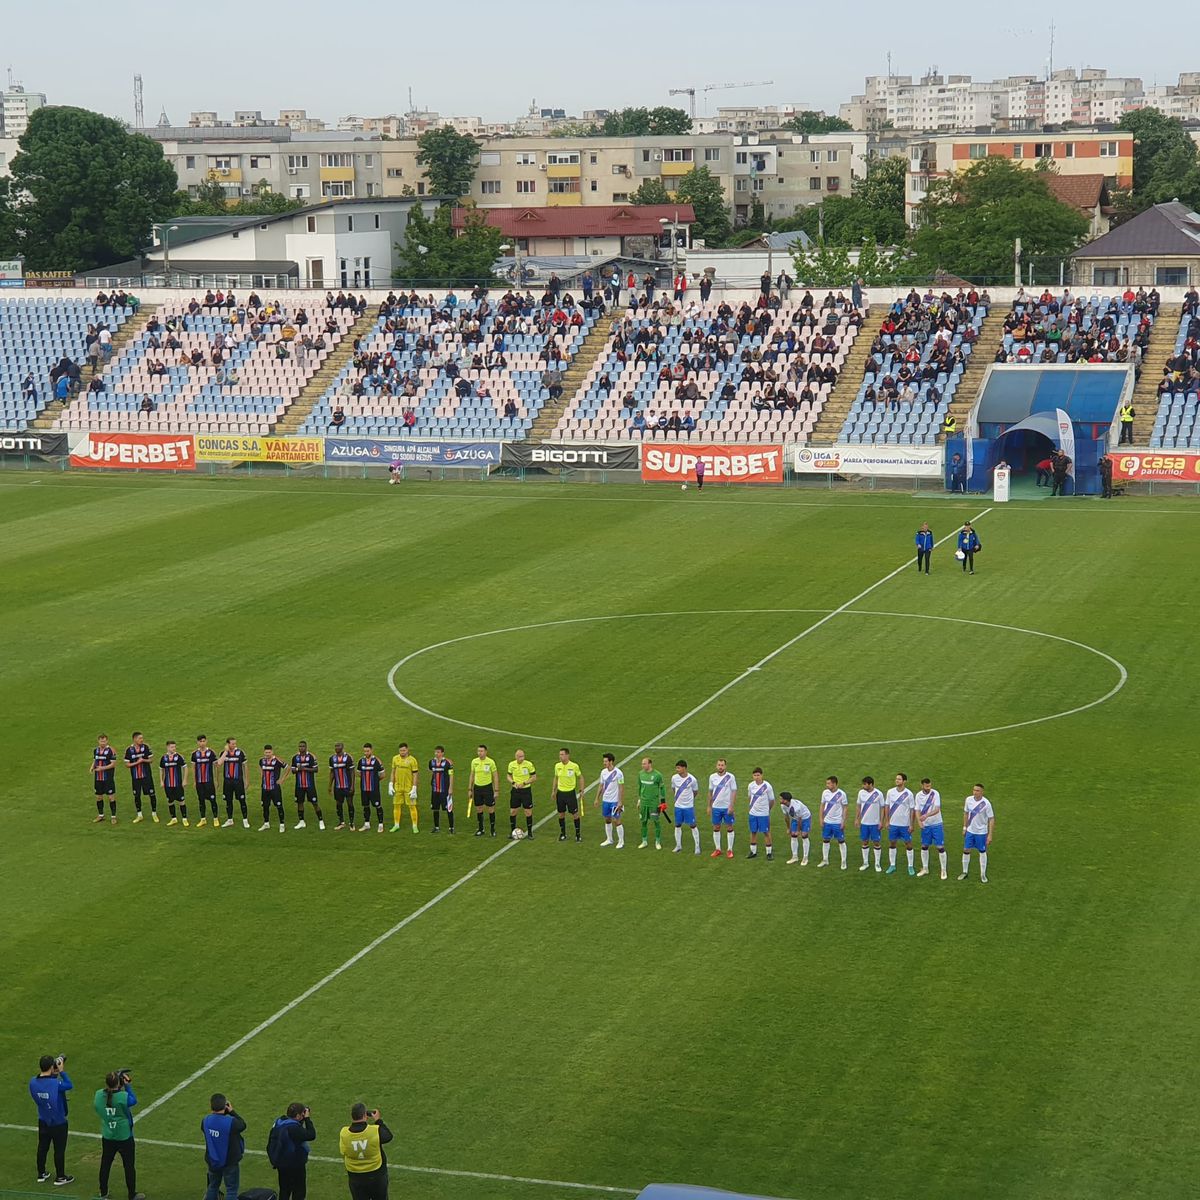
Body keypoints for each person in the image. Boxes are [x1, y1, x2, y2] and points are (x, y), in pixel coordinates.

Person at [95, 1070, 142, 1200]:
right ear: (119, 1083)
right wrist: (127, 1086)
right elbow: (133, 1100)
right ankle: (132, 1194)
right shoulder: (123, 1097)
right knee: (129, 1166)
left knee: (105, 1164)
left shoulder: (98, 1095)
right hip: (124, 1136)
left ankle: (103, 1193)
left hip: (108, 1135)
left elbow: (98, 1106)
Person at [30, 1055, 74, 1186]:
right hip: (58, 1122)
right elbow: (69, 1085)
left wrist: (53, 1074)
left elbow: (47, 1087)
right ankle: (60, 1177)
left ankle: (41, 1173)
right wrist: (62, 1071)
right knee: (59, 1150)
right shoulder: (55, 1084)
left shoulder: (33, 1082)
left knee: (42, 1147)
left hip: (43, 1119)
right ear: (51, 1067)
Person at [339, 1103, 392, 1200]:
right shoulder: (374, 1131)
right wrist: (378, 1120)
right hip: (376, 1174)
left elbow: (343, 1151)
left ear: (352, 1116)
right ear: (365, 1115)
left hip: (355, 1176)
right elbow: (388, 1136)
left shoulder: (344, 1133)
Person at [201, 1093, 246, 1200]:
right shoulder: (231, 1123)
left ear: (211, 1106)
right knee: (231, 1190)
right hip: (229, 1162)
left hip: (213, 1160)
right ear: (225, 1106)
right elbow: (243, 1125)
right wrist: (231, 1111)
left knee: (213, 1187)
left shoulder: (205, 1121)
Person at [268, 1103, 316, 1200]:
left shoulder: (280, 1122)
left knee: (284, 1190)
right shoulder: (293, 1128)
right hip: (294, 1164)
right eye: (302, 1114)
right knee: (299, 1191)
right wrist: (307, 1119)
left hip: (281, 1163)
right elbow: (311, 1135)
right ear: (297, 1116)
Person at [960, 784, 995, 883]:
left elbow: (991, 819)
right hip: (970, 831)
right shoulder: (968, 800)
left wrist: (990, 835)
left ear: (982, 792)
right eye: (974, 790)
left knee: (982, 851)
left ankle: (983, 874)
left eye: (977, 790)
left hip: (981, 832)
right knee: (966, 850)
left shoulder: (986, 804)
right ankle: (965, 872)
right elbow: (966, 813)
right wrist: (964, 827)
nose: (975, 792)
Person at [914, 777, 947, 879]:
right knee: (924, 846)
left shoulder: (935, 793)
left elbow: (937, 809)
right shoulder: (918, 795)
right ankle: (925, 868)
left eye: (929, 786)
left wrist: (926, 815)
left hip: (936, 824)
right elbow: (917, 810)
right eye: (926, 786)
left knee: (940, 847)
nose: (928, 788)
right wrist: (919, 822)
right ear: (922, 785)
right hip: (926, 825)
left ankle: (943, 870)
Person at [885, 772, 916, 876]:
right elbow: (887, 806)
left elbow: (912, 810)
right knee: (892, 843)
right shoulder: (890, 792)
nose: (897, 780)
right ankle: (892, 865)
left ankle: (910, 866)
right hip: (893, 824)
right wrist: (887, 821)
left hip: (905, 825)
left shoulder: (909, 794)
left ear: (904, 781)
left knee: (908, 844)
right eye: (896, 779)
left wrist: (911, 824)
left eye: (899, 779)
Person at [124, 732, 159, 824]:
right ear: (134, 739)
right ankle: (139, 815)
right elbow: (127, 764)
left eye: (142, 738)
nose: (142, 740)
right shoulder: (129, 750)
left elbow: (151, 759)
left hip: (147, 776)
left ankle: (154, 813)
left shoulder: (146, 747)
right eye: (140, 738)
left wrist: (143, 760)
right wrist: (137, 763)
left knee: (152, 794)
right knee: (137, 795)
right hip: (136, 778)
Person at [707, 757, 738, 859]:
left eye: (722, 765)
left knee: (729, 827)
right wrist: (709, 806)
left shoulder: (730, 777)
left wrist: (732, 805)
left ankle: (730, 850)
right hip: (716, 807)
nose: (720, 767)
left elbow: (734, 791)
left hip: (727, 807)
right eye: (719, 765)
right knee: (716, 827)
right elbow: (710, 792)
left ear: (725, 766)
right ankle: (718, 849)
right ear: (716, 766)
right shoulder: (712, 777)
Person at [668, 759, 701, 854]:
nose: (677, 770)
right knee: (677, 825)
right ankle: (678, 846)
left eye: (678, 768)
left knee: (693, 825)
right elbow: (673, 789)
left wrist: (688, 800)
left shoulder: (692, 779)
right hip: (678, 807)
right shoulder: (674, 778)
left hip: (688, 807)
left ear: (684, 768)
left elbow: (695, 792)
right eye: (676, 768)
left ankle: (697, 847)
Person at [291, 741, 325, 830]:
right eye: (300, 746)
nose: (301, 748)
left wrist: (304, 768)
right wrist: (298, 769)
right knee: (300, 803)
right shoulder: (295, 758)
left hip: (310, 785)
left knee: (314, 803)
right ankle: (301, 821)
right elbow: (293, 770)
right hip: (299, 785)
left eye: (303, 746)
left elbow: (316, 769)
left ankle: (321, 821)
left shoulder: (311, 757)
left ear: (306, 747)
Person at [553, 747, 585, 842]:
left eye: (562, 754)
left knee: (575, 814)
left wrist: (582, 790)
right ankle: (563, 834)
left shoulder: (574, 766)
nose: (560, 756)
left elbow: (580, 777)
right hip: (560, 793)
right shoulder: (557, 766)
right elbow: (556, 778)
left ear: (567, 755)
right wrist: (553, 791)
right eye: (560, 754)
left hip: (570, 794)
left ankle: (578, 835)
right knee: (561, 814)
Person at [218, 738, 250, 828]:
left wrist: (246, 780)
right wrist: (225, 751)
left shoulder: (240, 753)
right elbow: (219, 763)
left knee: (242, 800)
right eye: (232, 744)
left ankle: (245, 820)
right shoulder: (223, 753)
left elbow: (245, 766)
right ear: (228, 744)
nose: (234, 745)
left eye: (235, 744)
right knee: (228, 801)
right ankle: (230, 820)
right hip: (227, 782)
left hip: (238, 781)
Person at [388, 742, 419, 833]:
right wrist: (391, 784)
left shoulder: (412, 760)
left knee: (412, 806)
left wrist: (414, 788)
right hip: (398, 787)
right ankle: (396, 825)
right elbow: (393, 772)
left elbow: (415, 775)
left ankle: (415, 826)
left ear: (407, 750)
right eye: (401, 750)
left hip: (408, 787)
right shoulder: (395, 758)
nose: (402, 752)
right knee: (396, 805)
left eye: (404, 750)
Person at [595, 753, 625, 848]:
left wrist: (620, 801)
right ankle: (609, 839)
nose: (604, 763)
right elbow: (601, 785)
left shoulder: (618, 773)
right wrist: (597, 798)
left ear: (611, 762)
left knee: (617, 820)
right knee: (607, 819)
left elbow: (621, 788)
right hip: (606, 800)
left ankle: (621, 841)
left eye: (606, 761)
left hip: (615, 801)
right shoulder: (603, 772)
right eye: (604, 761)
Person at [469, 744, 499, 837]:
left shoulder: (490, 762)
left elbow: (495, 776)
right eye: (478, 751)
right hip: (477, 788)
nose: (480, 753)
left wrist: (496, 790)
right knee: (479, 808)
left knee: (490, 808)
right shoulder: (474, 762)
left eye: (481, 751)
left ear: (486, 752)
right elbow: (472, 775)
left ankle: (492, 830)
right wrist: (470, 789)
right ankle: (481, 829)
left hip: (487, 788)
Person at [745, 766, 775, 860]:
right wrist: (751, 808)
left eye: (758, 775)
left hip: (763, 814)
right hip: (753, 813)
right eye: (755, 775)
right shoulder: (750, 785)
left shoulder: (767, 786)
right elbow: (749, 797)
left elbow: (772, 800)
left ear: (762, 775)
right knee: (753, 831)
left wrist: (767, 810)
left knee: (766, 832)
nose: (756, 777)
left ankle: (769, 853)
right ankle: (753, 852)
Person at [818, 776, 848, 869]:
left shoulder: (841, 794)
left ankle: (843, 861)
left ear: (834, 784)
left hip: (837, 822)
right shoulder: (825, 793)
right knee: (825, 840)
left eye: (829, 783)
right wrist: (821, 819)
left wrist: (843, 821)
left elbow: (845, 808)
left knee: (841, 841)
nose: (827, 785)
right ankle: (825, 860)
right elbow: (822, 805)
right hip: (827, 822)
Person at [855, 775, 884, 872]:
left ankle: (877, 864)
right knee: (864, 842)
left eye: (865, 784)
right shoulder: (861, 793)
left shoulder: (878, 794)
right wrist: (857, 819)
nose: (863, 786)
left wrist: (881, 821)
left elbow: (882, 808)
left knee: (876, 842)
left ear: (870, 784)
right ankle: (865, 863)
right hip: (864, 823)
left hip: (875, 823)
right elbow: (858, 806)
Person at [258, 745, 289, 832]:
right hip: (265, 788)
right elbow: (261, 768)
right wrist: (262, 777)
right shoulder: (262, 761)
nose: (267, 754)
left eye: (269, 752)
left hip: (275, 788)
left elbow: (288, 768)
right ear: (264, 752)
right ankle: (266, 823)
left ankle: (282, 824)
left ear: (272, 752)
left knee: (279, 806)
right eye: (266, 752)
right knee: (265, 806)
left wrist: (282, 779)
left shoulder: (277, 760)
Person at [636, 756, 665, 850]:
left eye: (644, 763)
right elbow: (640, 787)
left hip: (654, 803)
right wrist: (639, 800)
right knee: (643, 821)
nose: (642, 765)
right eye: (642, 764)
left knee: (656, 821)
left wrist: (663, 802)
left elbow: (662, 788)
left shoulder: (657, 775)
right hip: (644, 803)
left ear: (650, 764)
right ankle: (644, 841)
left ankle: (657, 842)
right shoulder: (640, 774)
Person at [506, 748, 535, 839]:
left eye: (523, 756)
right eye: (520, 757)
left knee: (528, 811)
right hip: (515, 791)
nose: (522, 758)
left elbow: (534, 777)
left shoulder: (529, 764)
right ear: (516, 757)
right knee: (513, 811)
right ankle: (512, 831)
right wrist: (513, 783)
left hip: (526, 791)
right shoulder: (511, 765)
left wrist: (524, 783)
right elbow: (508, 776)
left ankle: (530, 833)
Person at [160, 740, 189, 827]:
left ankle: (184, 819)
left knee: (181, 801)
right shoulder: (164, 758)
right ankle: (173, 818)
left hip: (178, 784)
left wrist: (185, 780)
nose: (174, 748)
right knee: (170, 801)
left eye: (174, 747)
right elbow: (161, 769)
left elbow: (185, 768)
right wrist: (161, 781)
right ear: (167, 747)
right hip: (168, 784)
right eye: (172, 747)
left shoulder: (179, 757)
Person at [192, 734, 219, 828]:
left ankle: (215, 818)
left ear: (206, 741)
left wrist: (216, 780)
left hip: (209, 781)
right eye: (200, 741)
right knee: (201, 800)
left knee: (212, 800)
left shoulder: (211, 753)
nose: (202, 743)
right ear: (197, 742)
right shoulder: (194, 754)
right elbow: (193, 768)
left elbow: (216, 767)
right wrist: (194, 781)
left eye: (204, 741)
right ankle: (203, 819)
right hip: (199, 782)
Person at [357, 744, 385, 833]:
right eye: (364, 751)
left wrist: (375, 781)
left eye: (367, 751)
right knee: (365, 806)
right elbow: (359, 773)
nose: (366, 753)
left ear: (371, 750)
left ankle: (380, 825)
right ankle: (366, 824)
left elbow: (382, 775)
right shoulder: (361, 761)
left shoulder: (377, 761)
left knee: (377, 806)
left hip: (374, 789)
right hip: (364, 788)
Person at [329, 743, 357, 830]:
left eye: (339, 746)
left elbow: (352, 772)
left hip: (347, 786)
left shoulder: (348, 758)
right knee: (338, 804)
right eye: (336, 746)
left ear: (342, 747)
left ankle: (351, 823)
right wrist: (330, 785)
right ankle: (341, 822)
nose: (337, 748)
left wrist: (352, 786)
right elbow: (332, 772)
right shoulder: (332, 758)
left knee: (350, 803)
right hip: (337, 786)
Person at [428, 745, 455, 834]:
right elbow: (431, 771)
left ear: (442, 753)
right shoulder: (431, 762)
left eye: (438, 752)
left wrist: (450, 788)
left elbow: (451, 775)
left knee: (448, 809)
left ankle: (451, 828)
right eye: (435, 752)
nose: (436, 754)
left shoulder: (448, 762)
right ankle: (436, 827)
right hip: (435, 790)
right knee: (435, 808)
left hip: (445, 790)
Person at [92, 733, 118, 824]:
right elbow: (95, 760)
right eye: (101, 741)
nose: (102, 743)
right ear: (98, 741)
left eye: (104, 741)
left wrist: (102, 768)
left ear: (107, 741)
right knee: (99, 797)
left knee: (111, 797)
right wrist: (92, 767)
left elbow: (113, 764)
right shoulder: (96, 750)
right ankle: (100, 815)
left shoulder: (111, 750)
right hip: (98, 778)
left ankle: (113, 817)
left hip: (108, 778)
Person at [780, 791, 811, 865]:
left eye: (781, 799)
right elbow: (786, 817)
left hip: (804, 818)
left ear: (786, 800)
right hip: (795, 818)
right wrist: (788, 828)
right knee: (793, 835)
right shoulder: (783, 805)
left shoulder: (796, 807)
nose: (780, 800)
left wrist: (798, 830)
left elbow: (800, 819)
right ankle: (794, 857)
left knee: (804, 835)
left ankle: (805, 858)